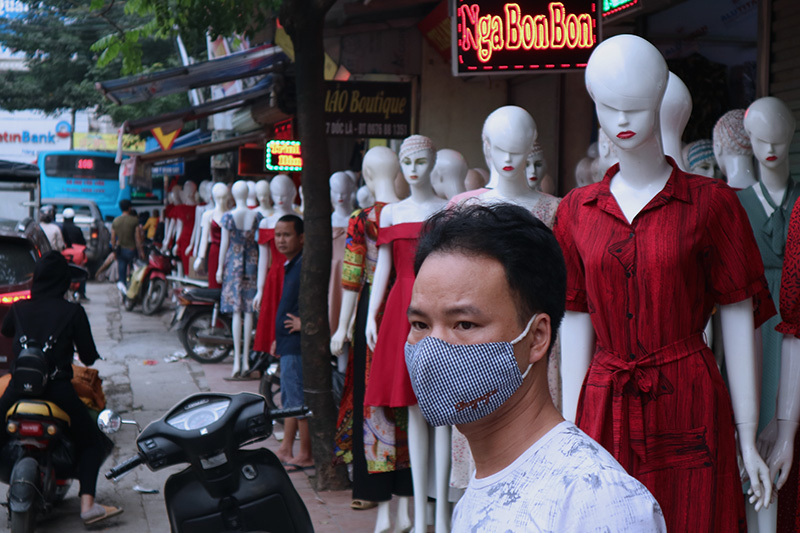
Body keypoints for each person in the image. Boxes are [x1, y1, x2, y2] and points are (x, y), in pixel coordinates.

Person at [405, 203, 666, 532]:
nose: (433, 347)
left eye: (465, 324)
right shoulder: (478, 487)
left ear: (537, 337)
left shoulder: (597, 500)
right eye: (419, 323)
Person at [0, 252, 122, 525]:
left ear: (37, 278)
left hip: (18, 389)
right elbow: (89, 357)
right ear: (64, 281)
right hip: (58, 390)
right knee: (92, 442)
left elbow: (7, 332)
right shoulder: (73, 312)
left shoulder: (19, 307)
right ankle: (88, 506)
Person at [272, 214, 312, 471]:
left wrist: (304, 324)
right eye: (278, 235)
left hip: (297, 344)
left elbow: (315, 303)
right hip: (286, 343)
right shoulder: (291, 264)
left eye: (287, 235)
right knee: (289, 398)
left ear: (301, 238)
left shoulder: (304, 266)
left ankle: (306, 453)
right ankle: (286, 447)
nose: (281, 240)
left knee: (298, 401)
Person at [111, 199, 139, 294]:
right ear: (130, 208)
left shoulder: (116, 221)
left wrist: (114, 251)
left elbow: (113, 238)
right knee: (134, 272)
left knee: (122, 273)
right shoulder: (134, 221)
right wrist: (141, 251)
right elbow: (138, 238)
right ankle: (132, 291)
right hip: (132, 250)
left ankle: (123, 292)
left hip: (120, 251)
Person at [61, 207, 89, 301]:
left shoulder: (61, 228)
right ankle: (82, 293)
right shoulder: (77, 229)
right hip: (77, 256)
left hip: (64, 255)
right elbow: (83, 242)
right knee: (81, 271)